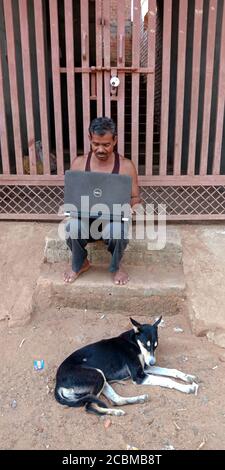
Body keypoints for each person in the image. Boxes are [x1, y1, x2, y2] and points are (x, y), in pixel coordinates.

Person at [64, 117, 141, 285]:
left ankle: (116, 266)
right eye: (96, 144)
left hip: (113, 221)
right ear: (90, 139)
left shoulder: (126, 166)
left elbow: (135, 198)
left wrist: (134, 208)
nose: (100, 149)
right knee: (71, 227)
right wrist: (68, 210)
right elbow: (71, 195)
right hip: (85, 220)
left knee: (117, 231)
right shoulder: (79, 163)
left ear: (115, 140)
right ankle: (81, 263)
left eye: (106, 144)